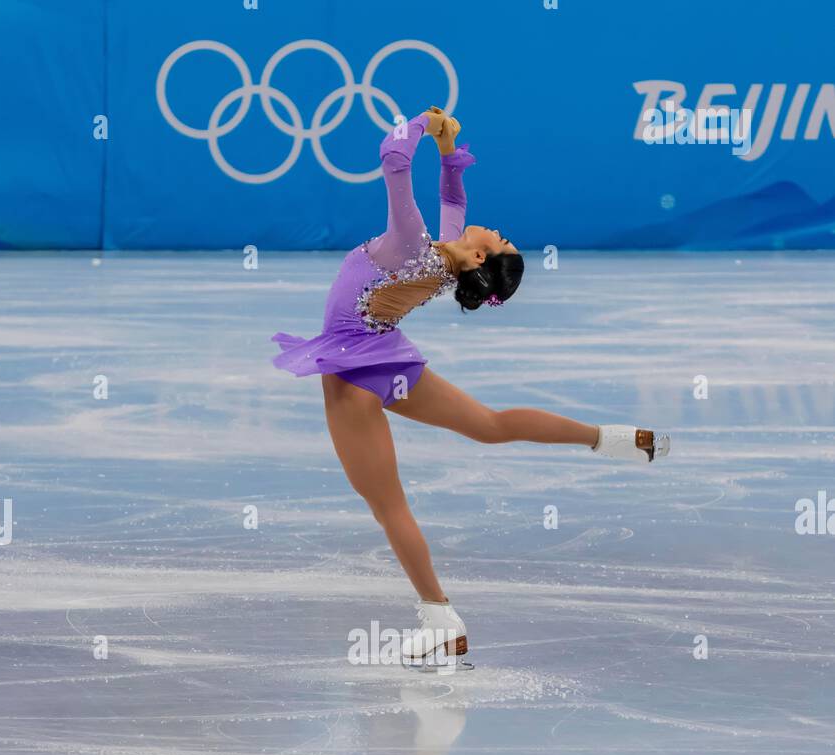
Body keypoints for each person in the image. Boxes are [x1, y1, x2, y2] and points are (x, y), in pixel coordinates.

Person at [272, 107, 670, 661]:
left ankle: (440, 619)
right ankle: (616, 439)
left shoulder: (413, 243)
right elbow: (455, 202)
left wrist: (422, 125)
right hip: (388, 362)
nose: (498, 229)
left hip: (355, 375)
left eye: (500, 239)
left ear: (481, 255)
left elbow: (391, 161)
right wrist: (449, 151)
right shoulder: (444, 255)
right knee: (490, 425)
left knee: (387, 504)